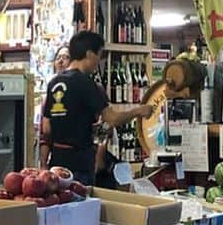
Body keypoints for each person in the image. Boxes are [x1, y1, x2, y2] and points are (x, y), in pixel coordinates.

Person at [41, 30, 154, 185]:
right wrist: (139, 111)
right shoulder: (87, 84)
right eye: (99, 55)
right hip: (80, 163)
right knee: (81, 205)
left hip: (57, 161)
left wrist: (43, 164)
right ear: (89, 54)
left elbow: (46, 129)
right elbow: (112, 119)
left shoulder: (53, 84)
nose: (99, 61)